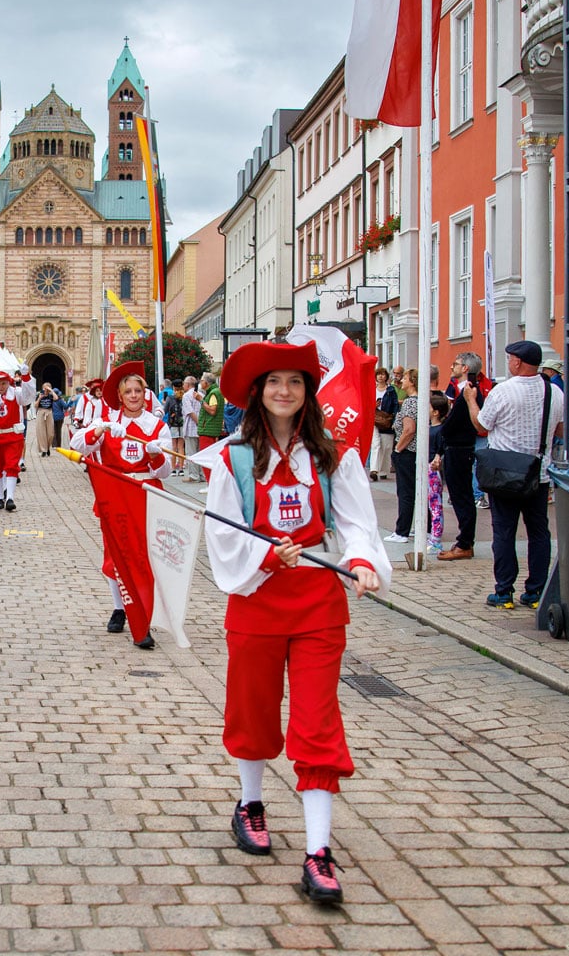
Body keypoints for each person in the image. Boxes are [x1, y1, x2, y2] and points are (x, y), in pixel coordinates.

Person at [196, 339, 389, 907]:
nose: (285, 391)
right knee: (252, 706)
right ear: (259, 392)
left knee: (317, 719)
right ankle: (250, 803)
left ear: (308, 392)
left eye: (296, 382)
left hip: (318, 602)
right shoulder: (233, 458)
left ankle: (318, 852)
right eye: (275, 381)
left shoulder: (333, 457)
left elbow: (357, 523)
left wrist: (361, 561)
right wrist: (263, 555)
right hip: (256, 598)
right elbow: (222, 532)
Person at [70, 360, 171, 649]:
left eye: (138, 391)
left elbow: (165, 471)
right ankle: (119, 607)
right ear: (120, 395)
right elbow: (78, 445)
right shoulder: (108, 420)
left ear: (145, 393)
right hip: (114, 496)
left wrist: (156, 454)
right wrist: (99, 430)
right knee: (115, 554)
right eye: (128, 391)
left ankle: (145, 610)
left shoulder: (157, 426)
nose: (134, 396)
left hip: (146, 496)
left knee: (144, 556)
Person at [462, 339, 564, 609]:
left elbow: (482, 426)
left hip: (504, 474)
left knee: (504, 533)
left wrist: (471, 401)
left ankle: (504, 591)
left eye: (509, 358)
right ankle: (536, 591)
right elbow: (560, 430)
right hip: (538, 473)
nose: (508, 363)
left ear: (517, 362)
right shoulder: (554, 392)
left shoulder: (503, 391)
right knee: (539, 532)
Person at [438, 353, 487, 561]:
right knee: (459, 496)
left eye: (456, 364)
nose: (452, 367)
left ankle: (465, 542)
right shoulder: (464, 391)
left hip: (460, 448)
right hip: (457, 447)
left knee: (462, 496)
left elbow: (455, 422)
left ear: (465, 368)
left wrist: (443, 427)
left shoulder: (469, 392)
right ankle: (464, 540)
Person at [0, 368, 34, 511]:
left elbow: (28, 396)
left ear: (8, 383)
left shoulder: (16, 394)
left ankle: (10, 497)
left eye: (3, 383)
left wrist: (26, 377)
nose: (0, 386)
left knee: (11, 466)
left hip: (11, 436)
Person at [384, 369, 420, 543]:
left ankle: (402, 531)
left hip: (407, 452)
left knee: (406, 492)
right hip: (415, 452)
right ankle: (423, 527)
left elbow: (409, 429)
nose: (402, 381)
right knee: (416, 490)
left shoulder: (410, 403)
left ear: (412, 381)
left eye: (405, 378)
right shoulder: (420, 401)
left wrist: (398, 449)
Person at [426, 392, 447, 554]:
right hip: (427, 467)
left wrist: (437, 459)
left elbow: (440, 449)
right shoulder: (431, 428)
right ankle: (432, 535)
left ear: (435, 412)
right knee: (431, 503)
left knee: (435, 504)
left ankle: (436, 539)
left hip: (432, 469)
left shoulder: (439, 430)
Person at [370, 368, 397, 481]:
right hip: (374, 419)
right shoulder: (372, 389)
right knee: (376, 444)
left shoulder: (390, 390)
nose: (380, 376)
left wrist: (394, 419)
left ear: (386, 376)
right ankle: (374, 470)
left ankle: (383, 470)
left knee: (386, 446)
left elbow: (395, 405)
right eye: (378, 374)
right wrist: (373, 405)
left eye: (383, 374)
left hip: (386, 420)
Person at [196, 371, 224, 483]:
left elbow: (212, 410)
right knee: (211, 457)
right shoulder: (216, 392)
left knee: (206, 458)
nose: (200, 382)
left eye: (202, 380)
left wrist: (201, 400)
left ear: (206, 383)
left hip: (208, 429)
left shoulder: (213, 393)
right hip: (211, 429)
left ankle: (210, 483)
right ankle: (211, 483)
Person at [181, 376, 202, 481]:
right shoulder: (201, 394)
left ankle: (194, 475)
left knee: (191, 452)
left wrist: (198, 423)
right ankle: (202, 475)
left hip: (191, 427)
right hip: (202, 428)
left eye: (184, 383)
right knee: (200, 452)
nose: (183, 385)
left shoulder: (186, 396)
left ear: (188, 384)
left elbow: (190, 412)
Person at [35, 383, 58, 457]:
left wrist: (51, 390)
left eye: (47, 388)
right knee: (41, 432)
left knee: (51, 433)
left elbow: (56, 398)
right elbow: (35, 405)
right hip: (41, 412)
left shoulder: (51, 395)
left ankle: (47, 447)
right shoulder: (39, 395)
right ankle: (43, 450)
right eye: (44, 388)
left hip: (49, 412)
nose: (45, 390)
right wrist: (39, 398)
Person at [166, 383, 185, 459]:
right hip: (182, 424)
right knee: (181, 447)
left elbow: (165, 410)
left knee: (173, 447)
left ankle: (173, 466)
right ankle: (181, 466)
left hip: (173, 424)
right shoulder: (184, 397)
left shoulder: (170, 398)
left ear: (174, 388)